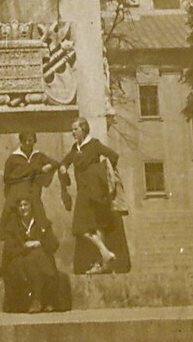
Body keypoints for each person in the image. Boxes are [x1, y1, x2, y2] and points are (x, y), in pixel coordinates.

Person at [59, 117, 131, 274]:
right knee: (89, 226)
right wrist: (64, 168)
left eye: (75, 129)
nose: (73, 132)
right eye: (72, 129)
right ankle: (104, 255)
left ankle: (102, 260)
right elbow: (65, 161)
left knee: (90, 226)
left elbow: (113, 156)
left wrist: (101, 172)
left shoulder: (94, 145)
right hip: (83, 191)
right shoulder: (75, 148)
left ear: (83, 129)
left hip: (95, 191)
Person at [1, 197, 69, 313]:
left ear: (31, 207)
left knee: (38, 256)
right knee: (34, 259)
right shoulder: (12, 227)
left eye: (25, 205)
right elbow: (9, 251)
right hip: (20, 264)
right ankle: (40, 300)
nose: (23, 208)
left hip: (40, 263)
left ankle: (38, 300)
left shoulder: (42, 223)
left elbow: (53, 244)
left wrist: (39, 243)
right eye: (20, 206)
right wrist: (25, 247)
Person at [0, 131, 58, 241]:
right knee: (12, 218)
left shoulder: (38, 156)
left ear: (34, 141)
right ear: (20, 141)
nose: (27, 143)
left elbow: (55, 163)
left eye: (30, 140)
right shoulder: (13, 158)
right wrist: (34, 170)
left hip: (33, 193)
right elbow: (7, 178)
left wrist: (48, 166)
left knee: (39, 218)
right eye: (24, 140)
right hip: (17, 193)